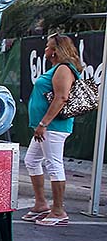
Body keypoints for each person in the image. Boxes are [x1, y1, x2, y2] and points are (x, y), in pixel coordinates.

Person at [24, 34, 83, 227]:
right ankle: (41, 204)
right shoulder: (57, 68)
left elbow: (61, 97)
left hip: (54, 127)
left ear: (56, 50)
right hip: (47, 126)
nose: (45, 50)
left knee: (54, 164)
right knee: (32, 160)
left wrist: (44, 123)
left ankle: (58, 210)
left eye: (48, 47)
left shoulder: (64, 69)